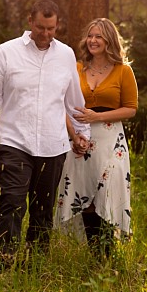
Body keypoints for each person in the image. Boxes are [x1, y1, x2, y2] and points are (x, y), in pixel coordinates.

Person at [0, 0, 91, 270]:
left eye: (51, 28)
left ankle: (35, 262)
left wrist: (81, 134)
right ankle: (6, 259)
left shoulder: (65, 55)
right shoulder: (6, 52)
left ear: (57, 25)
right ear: (30, 21)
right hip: (15, 140)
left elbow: (73, 101)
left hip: (53, 145)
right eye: (41, 27)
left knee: (43, 208)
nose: (46, 33)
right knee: (12, 202)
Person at [55, 18, 138, 259]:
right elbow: (62, 104)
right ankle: (96, 256)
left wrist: (97, 117)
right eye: (90, 35)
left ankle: (108, 254)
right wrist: (74, 136)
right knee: (86, 196)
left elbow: (131, 108)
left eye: (99, 36)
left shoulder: (124, 70)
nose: (93, 40)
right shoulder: (77, 68)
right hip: (79, 139)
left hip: (111, 140)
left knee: (107, 193)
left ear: (109, 40)